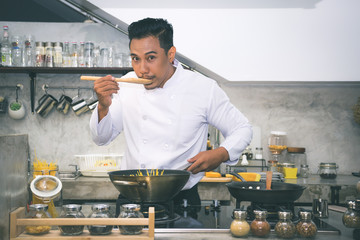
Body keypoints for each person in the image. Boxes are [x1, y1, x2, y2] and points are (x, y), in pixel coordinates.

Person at [90, 17, 252, 207]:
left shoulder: (202, 88)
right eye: (135, 59)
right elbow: (101, 138)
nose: (142, 70)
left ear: (170, 54)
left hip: (181, 200)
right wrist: (103, 106)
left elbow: (242, 128)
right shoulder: (126, 85)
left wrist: (222, 153)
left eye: (151, 58)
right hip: (132, 197)